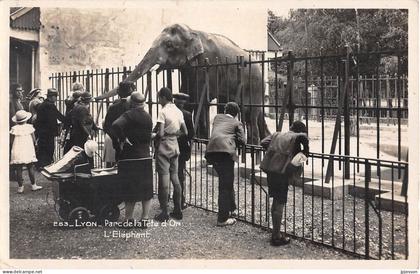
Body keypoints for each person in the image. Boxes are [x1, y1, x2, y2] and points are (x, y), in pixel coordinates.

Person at [260, 120, 309, 246]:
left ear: (291, 127)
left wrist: (274, 152)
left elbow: (263, 142)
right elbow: (304, 140)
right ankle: (276, 236)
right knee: (280, 202)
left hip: (271, 170)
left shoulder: (276, 134)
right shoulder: (297, 137)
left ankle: (275, 232)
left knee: (275, 201)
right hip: (282, 172)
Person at [111, 92, 153, 227]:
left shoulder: (128, 114)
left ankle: (128, 219)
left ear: (132, 103)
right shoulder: (148, 116)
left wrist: (123, 138)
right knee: (146, 190)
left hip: (130, 156)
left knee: (130, 189)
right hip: (145, 155)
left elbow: (115, 125)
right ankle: (144, 219)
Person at [205, 102, 245, 226]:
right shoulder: (237, 123)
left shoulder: (217, 117)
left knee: (226, 181)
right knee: (225, 185)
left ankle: (231, 208)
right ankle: (222, 218)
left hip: (211, 152)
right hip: (226, 153)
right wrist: (235, 142)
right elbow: (243, 141)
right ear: (237, 114)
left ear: (224, 110)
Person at [153, 87, 188, 222]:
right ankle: (178, 210)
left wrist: (155, 136)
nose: (158, 100)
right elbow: (184, 132)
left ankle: (164, 212)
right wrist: (173, 134)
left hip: (164, 146)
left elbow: (160, 133)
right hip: (175, 146)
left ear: (163, 97)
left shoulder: (163, 111)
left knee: (164, 180)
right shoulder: (178, 111)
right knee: (175, 178)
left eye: (159, 98)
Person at [10, 110, 43, 193]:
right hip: (27, 148)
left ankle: (20, 187)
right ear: (26, 119)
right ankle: (33, 185)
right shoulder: (29, 127)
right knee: (30, 166)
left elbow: (11, 140)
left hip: (17, 148)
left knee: (19, 168)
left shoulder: (14, 128)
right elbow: (34, 138)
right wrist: (35, 145)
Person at [103, 81, 135, 167]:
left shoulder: (113, 107)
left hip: (117, 141)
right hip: (132, 142)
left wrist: (116, 139)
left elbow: (107, 126)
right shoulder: (134, 107)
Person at [173, 93, 194, 209]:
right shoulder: (187, 114)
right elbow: (191, 134)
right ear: (184, 103)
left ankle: (164, 201)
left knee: (166, 174)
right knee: (180, 175)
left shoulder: (167, 112)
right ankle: (180, 201)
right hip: (181, 149)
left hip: (167, 147)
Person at [35, 88, 65, 168]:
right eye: (56, 97)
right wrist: (68, 120)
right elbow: (58, 116)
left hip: (41, 131)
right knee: (49, 148)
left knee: (42, 148)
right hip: (48, 132)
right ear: (52, 97)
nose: (56, 99)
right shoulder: (50, 105)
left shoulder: (42, 104)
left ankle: (40, 164)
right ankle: (47, 165)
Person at [62, 82, 84, 154]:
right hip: (76, 125)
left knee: (68, 144)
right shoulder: (78, 99)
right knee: (77, 144)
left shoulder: (69, 97)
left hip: (69, 124)